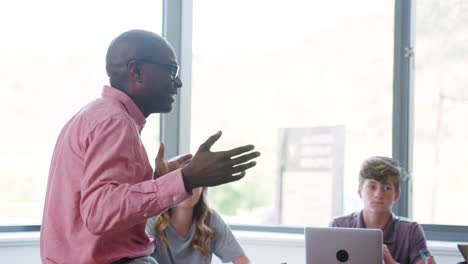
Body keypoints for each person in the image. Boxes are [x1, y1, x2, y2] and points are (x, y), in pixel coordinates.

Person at [40, 29, 260, 264]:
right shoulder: (114, 122)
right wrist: (185, 179)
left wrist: (157, 183)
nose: (178, 82)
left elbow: (105, 207)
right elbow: (99, 213)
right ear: (136, 71)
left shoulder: (96, 115)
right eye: (171, 70)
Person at [146, 145, 250, 264]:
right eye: (182, 180)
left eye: (195, 181)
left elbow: (242, 261)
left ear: (203, 188)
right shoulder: (153, 218)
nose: (188, 187)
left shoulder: (210, 218)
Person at [330, 156, 435, 264]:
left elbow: (424, 260)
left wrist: (391, 262)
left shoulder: (411, 231)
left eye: (386, 188)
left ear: (397, 194)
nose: (378, 194)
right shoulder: (338, 226)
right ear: (360, 191)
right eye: (372, 186)